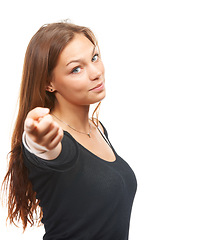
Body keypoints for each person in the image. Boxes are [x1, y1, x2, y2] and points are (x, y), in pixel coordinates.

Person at [2, 21, 137, 240]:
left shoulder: (98, 129)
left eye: (94, 58)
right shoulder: (54, 138)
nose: (95, 73)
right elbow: (47, 149)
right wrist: (36, 140)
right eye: (76, 69)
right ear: (49, 83)